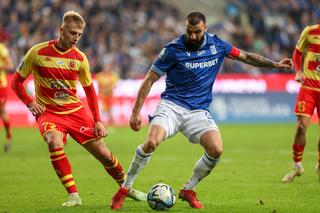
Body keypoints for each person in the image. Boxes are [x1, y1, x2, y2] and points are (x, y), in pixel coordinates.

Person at [110, 11, 292, 210]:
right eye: (189, 31)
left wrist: (275, 64)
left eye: (197, 32)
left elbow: (246, 56)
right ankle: (125, 189)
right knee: (151, 142)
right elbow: (149, 80)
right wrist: (136, 112)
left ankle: (188, 189)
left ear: (205, 28)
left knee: (216, 149)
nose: (193, 36)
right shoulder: (172, 49)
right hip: (172, 106)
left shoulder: (218, 46)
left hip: (198, 112)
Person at [11, 10, 146, 207]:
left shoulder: (80, 58)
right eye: (73, 33)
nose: (76, 38)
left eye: (79, 34)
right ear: (61, 30)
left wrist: (98, 120)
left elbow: (90, 91)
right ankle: (74, 195)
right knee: (53, 141)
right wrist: (30, 102)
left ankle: (128, 188)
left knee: (104, 154)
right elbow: (16, 83)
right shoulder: (37, 52)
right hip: (49, 113)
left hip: (75, 112)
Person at [282, 24, 320, 183]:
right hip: (309, 87)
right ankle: (297, 165)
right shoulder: (310, 31)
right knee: (301, 126)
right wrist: (298, 71)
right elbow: (297, 52)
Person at [0, 40, 13, 152]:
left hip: (0, 86)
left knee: (2, 111)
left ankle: (9, 136)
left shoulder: (1, 48)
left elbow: (10, 66)